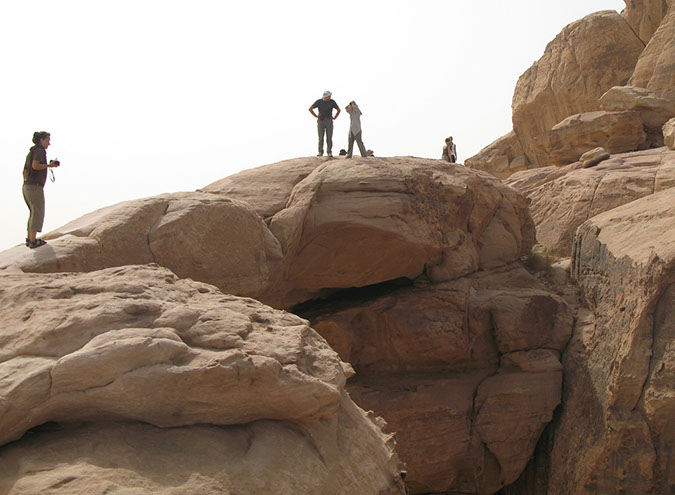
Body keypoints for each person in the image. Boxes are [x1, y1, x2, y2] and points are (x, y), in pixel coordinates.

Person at [22, 131, 60, 248]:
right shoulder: (39, 151)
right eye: (47, 140)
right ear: (41, 140)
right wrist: (50, 166)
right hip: (34, 187)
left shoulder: (31, 151)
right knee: (38, 212)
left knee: (33, 212)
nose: (49, 143)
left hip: (27, 186)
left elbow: (24, 171)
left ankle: (30, 239)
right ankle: (33, 241)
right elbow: (35, 166)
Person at [309, 91, 340, 157]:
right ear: (325, 96)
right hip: (321, 120)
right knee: (321, 136)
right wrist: (316, 116)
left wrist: (334, 117)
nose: (330, 97)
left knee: (329, 137)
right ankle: (320, 151)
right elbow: (310, 109)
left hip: (329, 120)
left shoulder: (332, 102)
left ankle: (329, 152)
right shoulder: (319, 101)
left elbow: (338, 110)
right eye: (329, 96)